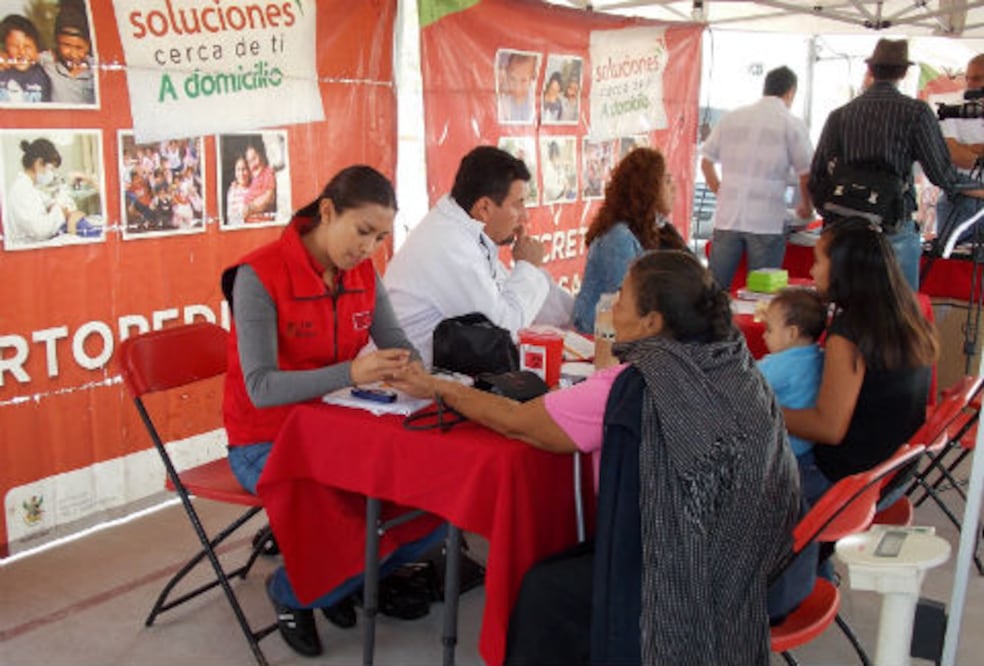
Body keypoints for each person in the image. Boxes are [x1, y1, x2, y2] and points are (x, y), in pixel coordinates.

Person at [391, 250, 799, 665]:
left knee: (544, 591)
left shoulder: (635, 387)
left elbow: (519, 422)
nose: (612, 305)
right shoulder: (733, 360)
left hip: (680, 582)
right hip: (762, 565)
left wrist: (439, 388)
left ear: (651, 323)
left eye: (622, 297)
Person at [222, 166, 443, 658]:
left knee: (424, 503)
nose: (369, 249)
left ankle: (337, 585)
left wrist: (416, 374)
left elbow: (398, 344)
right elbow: (260, 388)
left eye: (381, 238)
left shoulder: (363, 273)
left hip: (336, 430)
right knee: (346, 523)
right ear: (327, 212)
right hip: (266, 440)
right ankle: (291, 591)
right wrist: (354, 373)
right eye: (363, 232)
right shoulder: (257, 276)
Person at [784, 218, 938, 504]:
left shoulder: (851, 333)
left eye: (818, 262)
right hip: (894, 475)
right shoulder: (907, 315)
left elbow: (828, 428)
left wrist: (764, 408)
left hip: (849, 483)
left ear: (844, 269)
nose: (811, 270)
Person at [809, 39, 984, 290]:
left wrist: (834, 216)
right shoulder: (916, 113)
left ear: (871, 70)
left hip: (845, 227)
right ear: (903, 73)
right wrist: (979, 189)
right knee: (899, 312)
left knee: (847, 305)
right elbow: (943, 175)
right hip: (893, 225)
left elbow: (817, 176)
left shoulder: (841, 114)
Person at [384, 146, 573, 368]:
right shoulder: (449, 243)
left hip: (431, 375)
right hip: (398, 384)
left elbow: (508, 293)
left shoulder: (466, 231)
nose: (525, 216)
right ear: (484, 207)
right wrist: (528, 266)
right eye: (518, 204)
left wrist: (578, 317)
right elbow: (500, 331)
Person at [701, 65, 814, 290]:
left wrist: (721, 191)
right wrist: (806, 206)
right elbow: (806, 174)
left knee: (713, 291)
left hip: (727, 218)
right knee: (761, 293)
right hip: (767, 220)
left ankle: (706, 325)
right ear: (790, 92)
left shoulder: (732, 118)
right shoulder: (791, 123)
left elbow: (706, 163)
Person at [572, 147, 687, 333]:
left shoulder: (660, 229)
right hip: (599, 335)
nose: (674, 187)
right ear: (648, 188)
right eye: (666, 180)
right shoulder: (618, 237)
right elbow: (629, 305)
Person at [758, 287, 826, 470]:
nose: (764, 336)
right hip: (806, 448)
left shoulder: (783, 364)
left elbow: (744, 383)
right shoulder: (819, 356)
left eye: (769, 330)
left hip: (778, 450)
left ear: (792, 333)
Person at [935, 54, 984, 246]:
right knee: (951, 266)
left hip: (967, 194)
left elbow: (960, 152)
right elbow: (954, 155)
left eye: (977, 78)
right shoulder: (952, 110)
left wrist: (968, 148)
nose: (970, 84)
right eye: (968, 77)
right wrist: (970, 150)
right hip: (958, 200)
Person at [6, 138, 87, 245]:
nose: (52, 174)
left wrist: (56, 207)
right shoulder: (22, 190)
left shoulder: (31, 188)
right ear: (39, 163)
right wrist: (60, 211)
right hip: (30, 248)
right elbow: (40, 231)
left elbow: (50, 202)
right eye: (51, 169)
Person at [38, 3, 95, 105]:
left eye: (79, 48)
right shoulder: (48, 60)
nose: (73, 54)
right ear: (56, 41)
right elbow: (25, 58)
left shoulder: (94, 69)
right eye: (66, 45)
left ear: (89, 46)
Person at [0, 14, 51, 103]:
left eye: (27, 47)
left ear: (37, 49)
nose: (22, 52)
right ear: (4, 48)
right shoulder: (2, 70)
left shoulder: (44, 72)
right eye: (15, 46)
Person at [242, 139, 277, 223]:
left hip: (260, 221)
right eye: (249, 162)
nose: (253, 165)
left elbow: (269, 197)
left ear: (261, 155)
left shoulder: (267, 172)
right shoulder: (253, 179)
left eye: (254, 158)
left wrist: (249, 208)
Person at [498, 52, 536, 123]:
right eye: (513, 79)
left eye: (524, 80)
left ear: (531, 79)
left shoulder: (535, 95)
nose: (517, 87)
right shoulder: (502, 99)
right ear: (507, 73)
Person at [225, 153, 251, 226]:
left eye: (244, 169)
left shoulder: (254, 189)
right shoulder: (232, 191)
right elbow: (231, 217)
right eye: (238, 170)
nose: (241, 173)